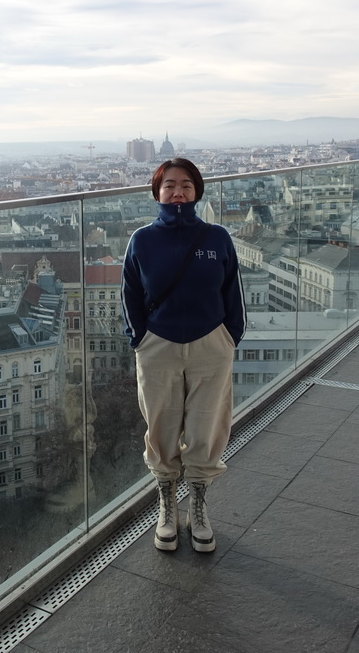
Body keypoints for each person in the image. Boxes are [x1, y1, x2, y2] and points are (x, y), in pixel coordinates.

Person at [121, 158, 246, 552]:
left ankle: (198, 505)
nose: (178, 192)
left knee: (207, 428)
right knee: (160, 426)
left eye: (186, 185)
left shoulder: (217, 237)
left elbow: (232, 292)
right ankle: (166, 504)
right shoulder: (142, 240)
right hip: (157, 345)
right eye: (170, 185)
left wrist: (229, 337)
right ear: (157, 192)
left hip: (211, 344)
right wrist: (139, 337)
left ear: (197, 191)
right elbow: (129, 294)